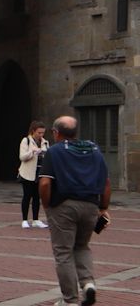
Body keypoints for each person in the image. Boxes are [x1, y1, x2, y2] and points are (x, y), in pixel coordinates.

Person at [38, 114, 110, 306]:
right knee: (82, 246)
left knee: (63, 253)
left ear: (56, 132)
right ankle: (88, 285)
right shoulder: (94, 150)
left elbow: (45, 183)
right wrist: (103, 208)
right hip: (90, 206)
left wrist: (47, 205)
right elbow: (105, 183)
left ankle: (70, 300)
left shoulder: (55, 151)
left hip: (63, 206)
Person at [19, 120, 49, 228]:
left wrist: (44, 153)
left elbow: (47, 156)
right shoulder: (26, 141)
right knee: (27, 196)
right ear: (33, 131)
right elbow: (22, 157)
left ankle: (36, 219)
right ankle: (24, 220)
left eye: (42, 133)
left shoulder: (45, 142)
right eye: (39, 132)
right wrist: (33, 152)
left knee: (37, 197)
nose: (41, 135)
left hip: (39, 173)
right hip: (27, 173)